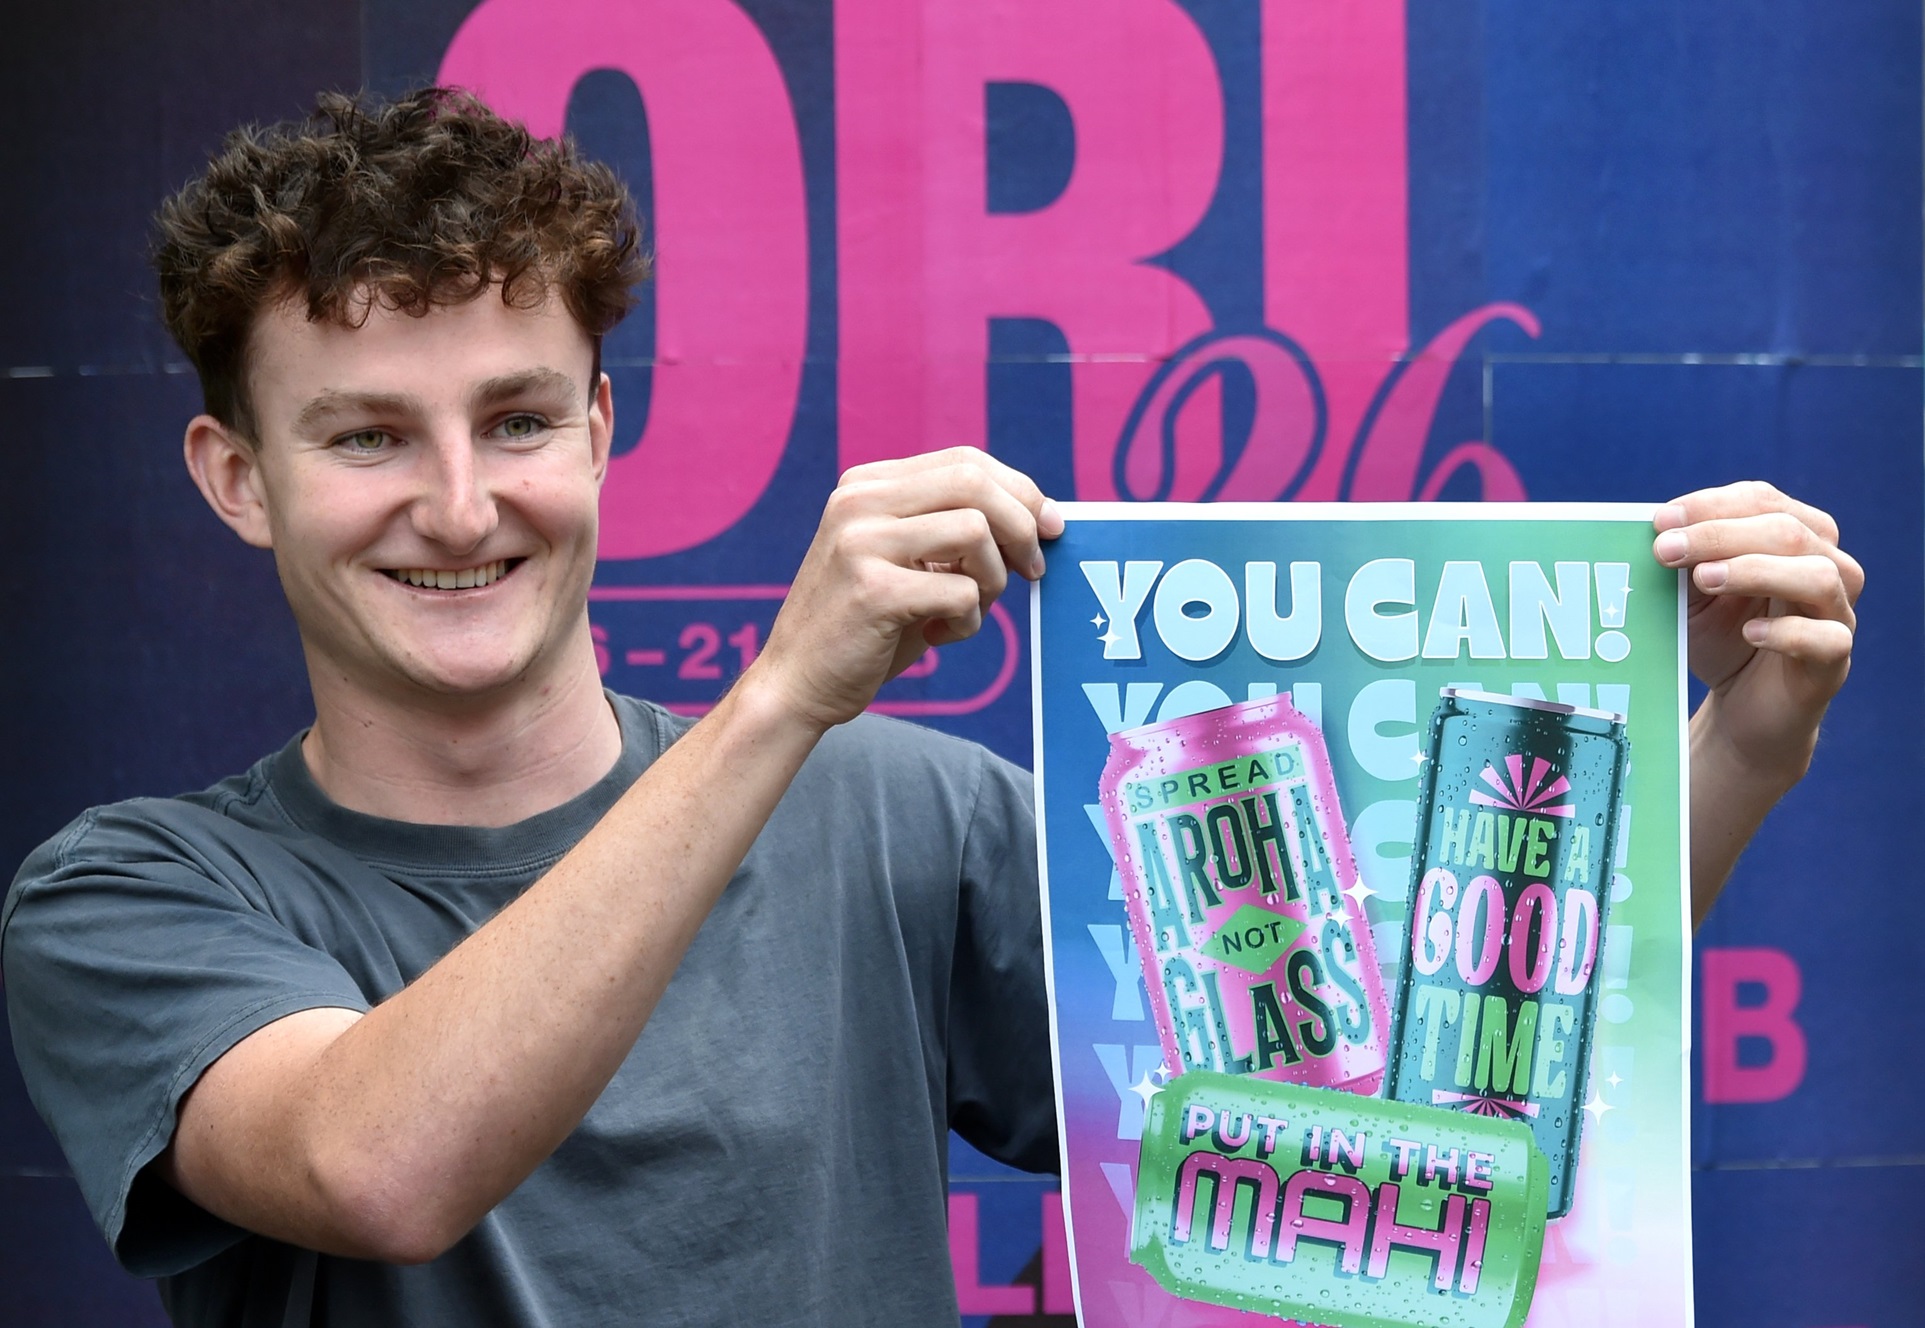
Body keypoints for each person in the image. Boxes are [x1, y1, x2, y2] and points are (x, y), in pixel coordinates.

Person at [1, 88, 1860, 1327]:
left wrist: (1739, 751)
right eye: (363, 438)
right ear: (235, 477)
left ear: (601, 431)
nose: (465, 505)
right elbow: (378, 1166)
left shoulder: (891, 808)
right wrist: (776, 706)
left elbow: (1365, 1133)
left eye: (516, 419)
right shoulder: (141, 894)